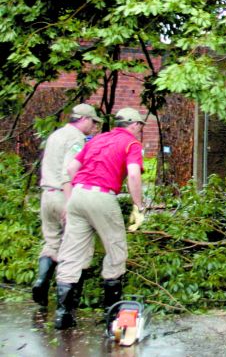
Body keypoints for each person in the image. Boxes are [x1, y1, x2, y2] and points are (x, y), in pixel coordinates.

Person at [53, 107, 147, 330]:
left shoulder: (97, 139)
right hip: (102, 196)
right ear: (134, 124)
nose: (140, 130)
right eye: (140, 126)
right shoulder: (131, 144)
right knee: (116, 252)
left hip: (77, 195)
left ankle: (63, 316)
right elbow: (133, 174)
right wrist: (138, 205)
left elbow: (71, 167)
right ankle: (112, 315)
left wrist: (83, 189)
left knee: (72, 253)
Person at [31, 103, 102, 306]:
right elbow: (69, 170)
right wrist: (72, 203)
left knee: (52, 242)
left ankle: (41, 281)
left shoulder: (56, 135)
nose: (94, 126)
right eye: (93, 122)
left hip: (47, 195)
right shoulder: (76, 139)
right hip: (64, 195)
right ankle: (69, 302)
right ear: (84, 119)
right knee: (77, 247)